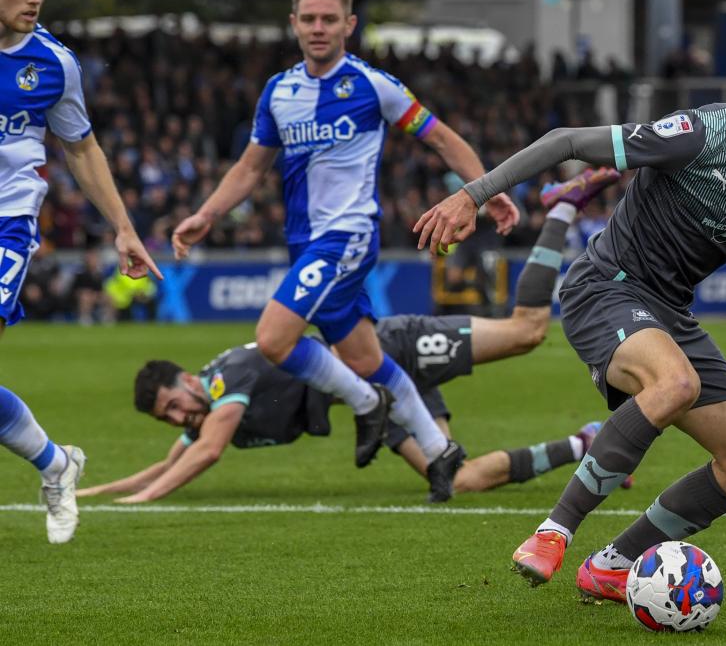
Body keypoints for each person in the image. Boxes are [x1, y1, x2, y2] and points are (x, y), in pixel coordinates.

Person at [415, 13, 726, 602]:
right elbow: (567, 142)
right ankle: (554, 531)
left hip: (668, 311)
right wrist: (473, 195)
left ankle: (613, 563)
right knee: (675, 383)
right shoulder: (701, 133)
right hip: (604, 286)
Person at [169, 0, 519, 503]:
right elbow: (249, 166)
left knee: (273, 339)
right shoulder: (279, 92)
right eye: (308, 18)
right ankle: (439, 453)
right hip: (305, 243)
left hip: (348, 235)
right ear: (293, 24)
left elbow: (441, 137)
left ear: (349, 25)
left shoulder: (372, 85)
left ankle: (365, 405)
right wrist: (207, 214)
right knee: (363, 359)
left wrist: (484, 191)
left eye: (329, 19)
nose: (318, 28)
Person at [77, 170, 625, 502]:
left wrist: (147, 500)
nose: (179, 419)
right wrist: (102, 492)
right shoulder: (204, 402)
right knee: (461, 480)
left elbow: (206, 453)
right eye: (168, 419)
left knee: (526, 331)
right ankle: (587, 441)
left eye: (174, 405)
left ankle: (558, 206)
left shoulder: (224, 386)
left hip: (388, 347)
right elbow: (174, 458)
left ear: (187, 379)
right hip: (381, 398)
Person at [0, 0, 161, 543]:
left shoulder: (52, 63)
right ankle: (55, 463)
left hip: (6, 223)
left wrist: (123, 227)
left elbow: (82, 148)